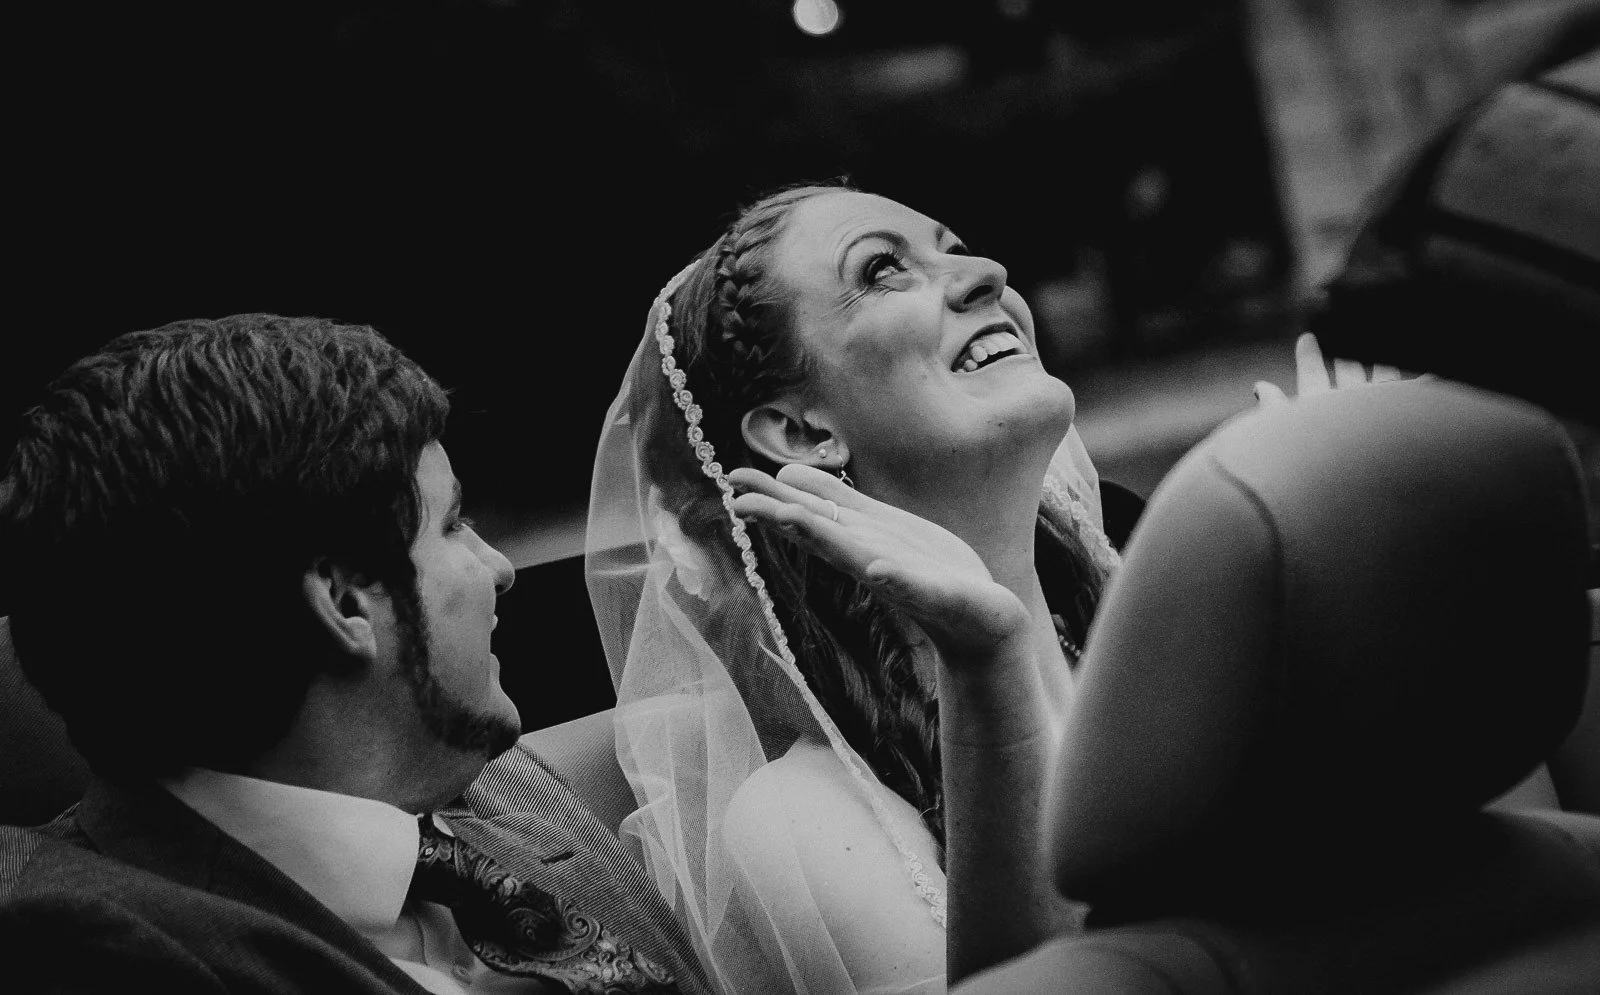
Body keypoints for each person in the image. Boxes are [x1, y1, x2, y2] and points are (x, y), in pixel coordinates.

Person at [0, 314, 707, 994]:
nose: (498, 567)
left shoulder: (497, 776)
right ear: (344, 601)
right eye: (453, 523)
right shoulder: (89, 956)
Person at [587, 182, 1127, 994]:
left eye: (954, 244)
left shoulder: (1161, 644)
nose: (986, 272)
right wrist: (989, 657)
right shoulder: (799, 823)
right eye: (881, 271)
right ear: (802, 432)